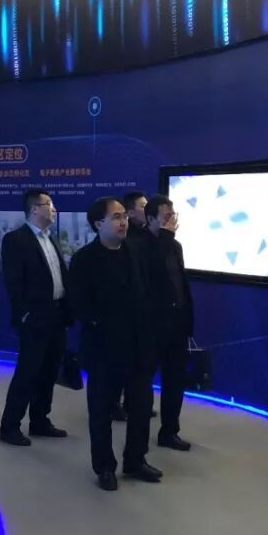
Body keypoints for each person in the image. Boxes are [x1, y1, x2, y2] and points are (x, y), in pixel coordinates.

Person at [68, 197, 162, 491]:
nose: (124, 222)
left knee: (141, 407)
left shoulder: (136, 252)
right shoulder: (84, 259)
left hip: (139, 347)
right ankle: (105, 467)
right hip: (104, 349)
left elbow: (148, 293)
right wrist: (102, 322)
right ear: (99, 224)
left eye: (124, 216)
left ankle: (135, 460)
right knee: (101, 411)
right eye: (117, 217)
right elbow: (78, 303)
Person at [0, 189, 71, 446]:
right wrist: (25, 313)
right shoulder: (15, 240)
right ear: (34, 209)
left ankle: (40, 420)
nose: (54, 209)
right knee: (28, 372)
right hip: (34, 318)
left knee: (49, 371)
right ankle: (10, 426)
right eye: (49, 204)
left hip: (56, 314)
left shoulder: (51, 238)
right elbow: (14, 281)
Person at [142, 195, 194, 451]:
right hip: (151, 327)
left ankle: (170, 431)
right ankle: (138, 442)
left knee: (175, 380)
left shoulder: (175, 246)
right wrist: (164, 236)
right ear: (150, 219)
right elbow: (152, 272)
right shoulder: (140, 245)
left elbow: (179, 283)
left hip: (177, 324)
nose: (171, 221)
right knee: (143, 383)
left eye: (173, 216)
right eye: (166, 217)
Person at [109, 190, 151, 422]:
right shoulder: (127, 241)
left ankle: (133, 401)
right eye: (143, 206)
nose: (122, 222)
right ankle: (113, 403)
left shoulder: (145, 234)